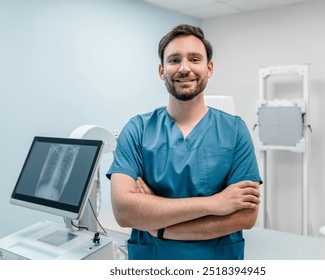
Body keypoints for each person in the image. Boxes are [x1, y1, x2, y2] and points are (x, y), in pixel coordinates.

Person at [107, 24, 262, 260]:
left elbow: (245, 216)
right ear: (161, 70)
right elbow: (124, 210)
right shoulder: (137, 129)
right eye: (174, 60)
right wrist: (216, 203)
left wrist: (159, 225)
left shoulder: (235, 130)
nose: (184, 68)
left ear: (209, 68)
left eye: (195, 59)